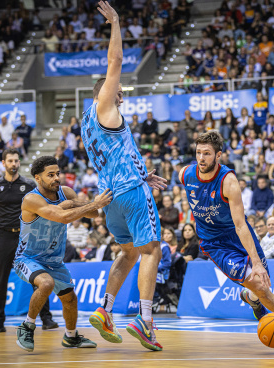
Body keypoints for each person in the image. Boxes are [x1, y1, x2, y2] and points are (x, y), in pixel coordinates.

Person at [178, 131, 274, 345]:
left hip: (239, 235)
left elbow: (240, 225)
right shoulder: (185, 174)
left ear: (218, 155)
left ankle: (250, 299)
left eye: (207, 154)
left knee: (262, 284)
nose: (201, 158)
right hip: (215, 244)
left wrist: (256, 262)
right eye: (198, 153)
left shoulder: (228, 181)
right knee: (261, 286)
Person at [81, 2, 167, 352]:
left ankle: (105, 308)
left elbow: (116, 159)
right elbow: (114, 63)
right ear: (105, 92)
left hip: (112, 197)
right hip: (129, 194)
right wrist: (115, 22)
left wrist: (144, 175)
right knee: (153, 250)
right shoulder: (105, 105)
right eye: (117, 91)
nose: (121, 94)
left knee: (129, 252)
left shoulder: (87, 123)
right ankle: (145, 321)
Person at [13, 156, 113, 352]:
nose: (56, 178)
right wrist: (85, 205)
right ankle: (27, 326)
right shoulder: (31, 199)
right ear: (38, 178)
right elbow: (60, 217)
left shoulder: (65, 192)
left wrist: (74, 204)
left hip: (54, 261)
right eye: (50, 175)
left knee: (70, 299)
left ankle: (71, 337)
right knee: (46, 283)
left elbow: (94, 215)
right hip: (28, 258)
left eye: (58, 173)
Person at [0, 148, 58, 334]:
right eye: (10, 161)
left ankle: (46, 319)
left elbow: (42, 208)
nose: (14, 164)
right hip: (5, 236)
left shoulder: (29, 184)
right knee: (0, 280)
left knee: (39, 278)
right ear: (3, 163)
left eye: (16, 161)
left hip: (28, 235)